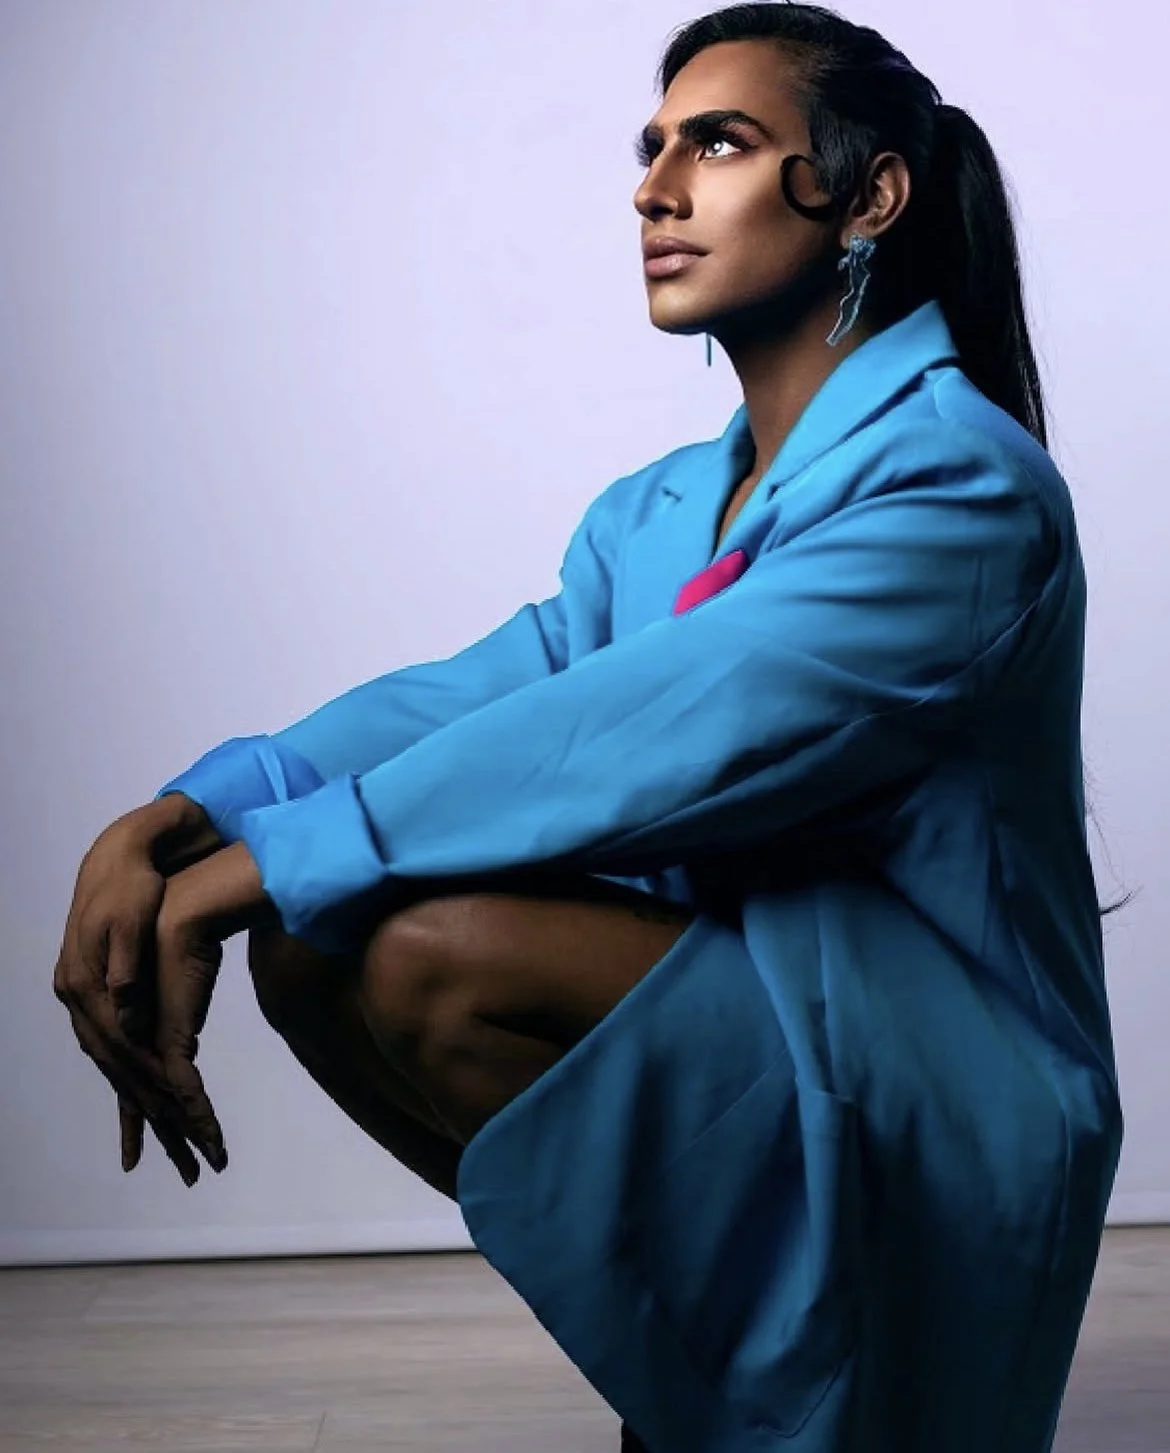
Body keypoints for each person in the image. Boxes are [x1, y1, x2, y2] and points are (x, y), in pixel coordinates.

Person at [53, 4, 1124, 1451]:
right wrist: (183, 820)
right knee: (312, 942)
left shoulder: (960, 489)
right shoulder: (659, 509)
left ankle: (786, 1390)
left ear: (868, 196)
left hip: (931, 1068)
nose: (653, 190)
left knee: (425, 949)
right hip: (769, 1010)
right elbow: (497, 692)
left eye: (719, 144)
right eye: (650, 147)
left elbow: (653, 731)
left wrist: (251, 870)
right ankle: (714, 1388)